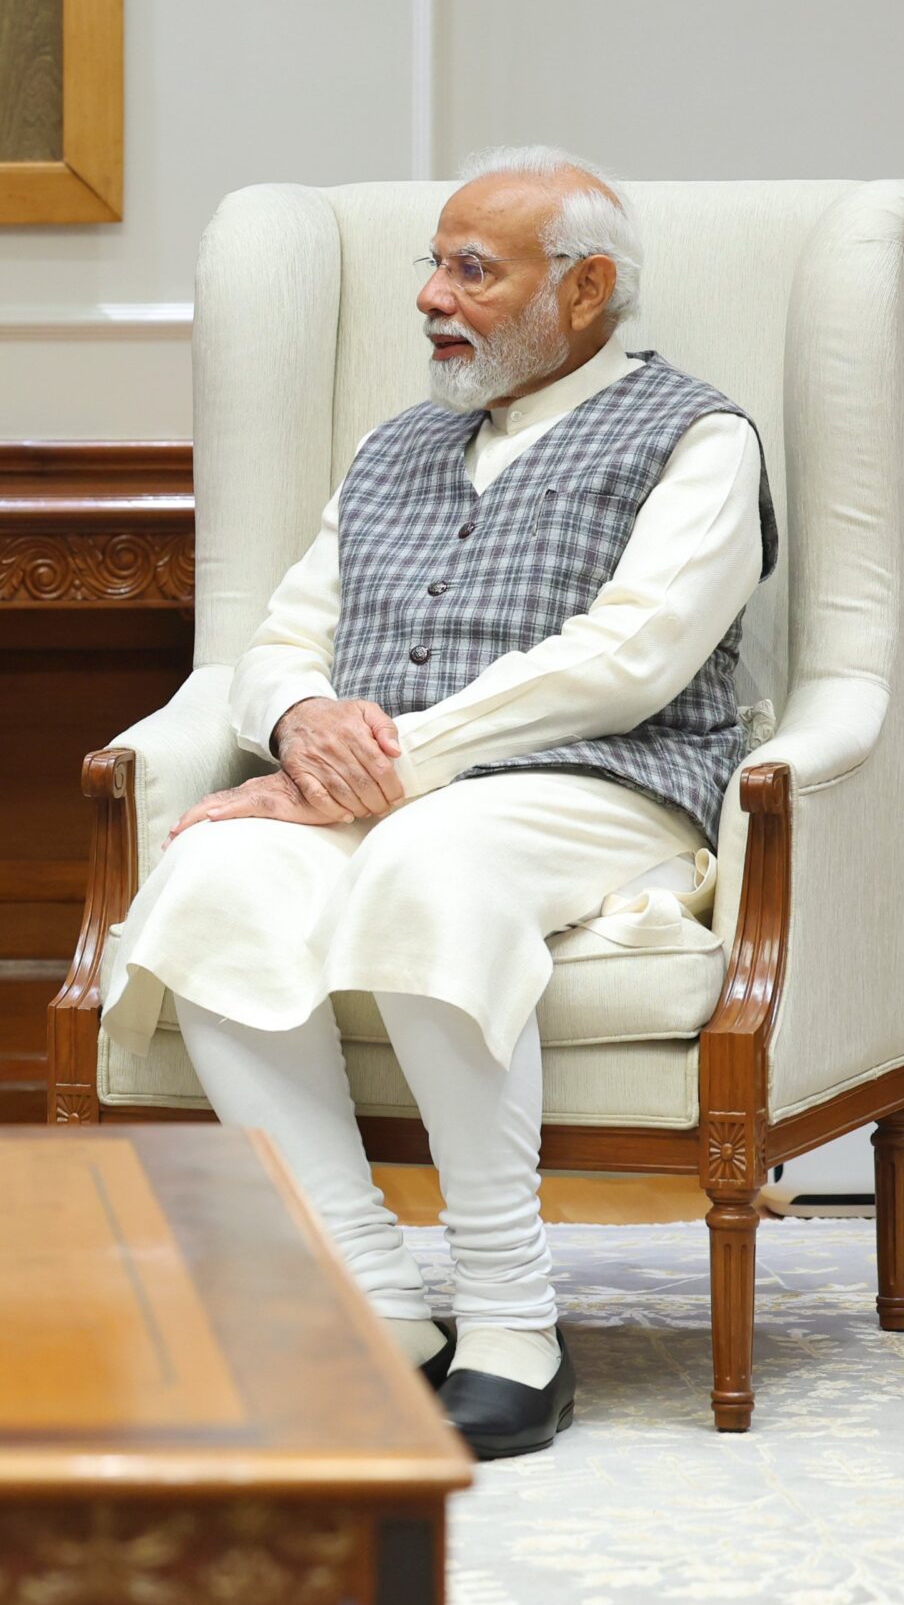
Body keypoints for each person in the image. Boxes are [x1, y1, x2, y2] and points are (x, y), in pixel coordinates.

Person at [99, 146, 775, 1459]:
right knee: (209, 876)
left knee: (429, 862)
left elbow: (628, 660)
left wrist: (393, 761)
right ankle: (370, 1294)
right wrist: (297, 721)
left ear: (584, 290)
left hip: (604, 785)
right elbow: (284, 637)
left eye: (474, 270)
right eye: (434, 263)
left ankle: (517, 1322)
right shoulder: (395, 446)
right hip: (366, 795)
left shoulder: (700, 437)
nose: (431, 296)